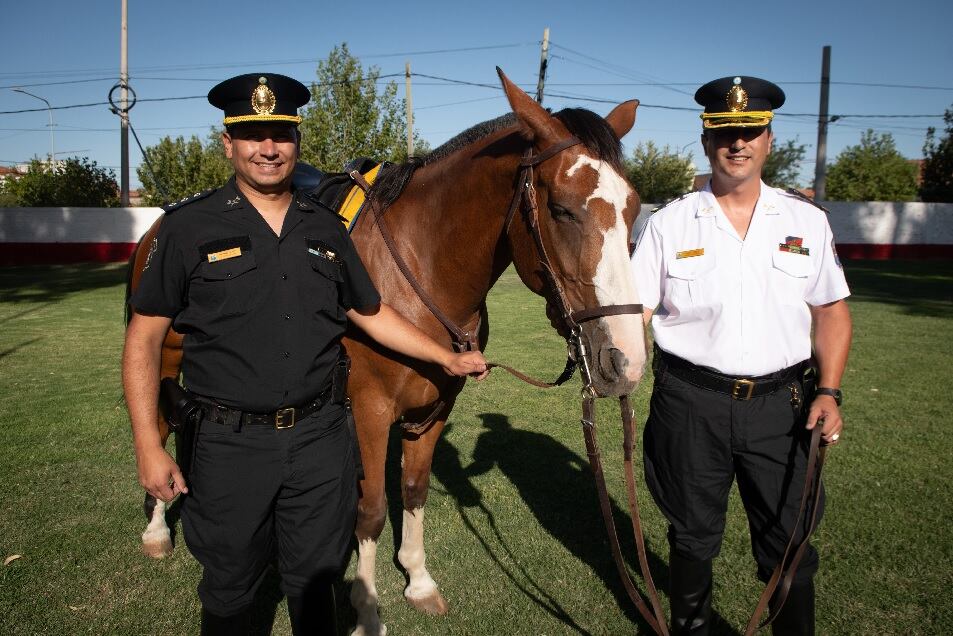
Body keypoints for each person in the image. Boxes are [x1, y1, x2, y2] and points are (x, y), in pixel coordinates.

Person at [122, 72, 488, 636]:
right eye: (253, 135)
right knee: (231, 592)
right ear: (228, 143)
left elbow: (368, 312)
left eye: (281, 134)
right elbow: (144, 340)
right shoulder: (187, 227)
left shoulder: (327, 225)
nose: (268, 148)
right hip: (228, 445)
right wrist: (149, 445)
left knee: (317, 588)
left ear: (297, 141)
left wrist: (444, 358)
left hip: (320, 443)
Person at [630, 76, 852, 635]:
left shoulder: (807, 222)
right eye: (725, 132)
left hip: (784, 406)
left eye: (750, 131)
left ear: (769, 140)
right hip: (689, 402)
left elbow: (830, 311)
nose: (738, 143)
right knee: (691, 534)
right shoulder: (668, 223)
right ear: (706, 141)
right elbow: (635, 310)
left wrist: (829, 390)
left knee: (789, 541)